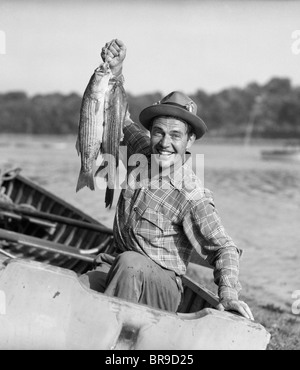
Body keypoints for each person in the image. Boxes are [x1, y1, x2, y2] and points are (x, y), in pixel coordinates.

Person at [79, 39, 254, 321]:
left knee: (130, 264)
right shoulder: (144, 152)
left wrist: (229, 295)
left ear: (189, 140)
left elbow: (225, 248)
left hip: (159, 285)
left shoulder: (191, 193)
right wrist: (115, 70)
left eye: (175, 135)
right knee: (74, 291)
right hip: (117, 266)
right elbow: (116, 118)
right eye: (159, 132)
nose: (164, 143)